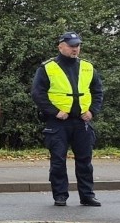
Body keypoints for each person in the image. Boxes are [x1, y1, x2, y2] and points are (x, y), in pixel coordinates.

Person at [31, 31, 105, 207]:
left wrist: (92, 111)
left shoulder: (88, 67)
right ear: (61, 46)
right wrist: (54, 111)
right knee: (58, 161)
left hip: (82, 122)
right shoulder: (48, 67)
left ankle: (87, 195)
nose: (75, 49)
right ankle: (60, 195)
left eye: (77, 45)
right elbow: (37, 93)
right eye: (72, 46)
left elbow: (98, 92)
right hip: (58, 123)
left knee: (85, 161)